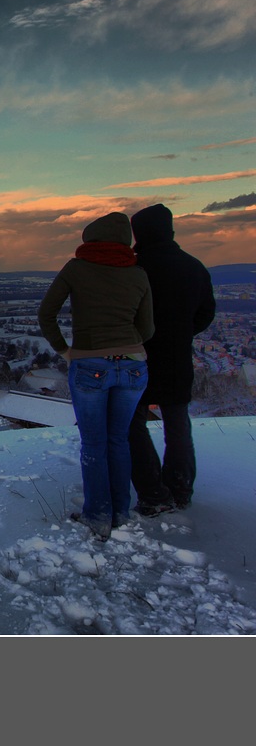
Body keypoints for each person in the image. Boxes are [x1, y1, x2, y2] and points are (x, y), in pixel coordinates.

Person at [38, 212, 154, 541]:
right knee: (119, 440)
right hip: (134, 365)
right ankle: (121, 511)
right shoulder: (138, 273)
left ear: (91, 237)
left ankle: (98, 516)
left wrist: (65, 350)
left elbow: (46, 313)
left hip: (90, 363)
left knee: (94, 443)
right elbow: (147, 329)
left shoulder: (77, 268)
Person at [128, 204, 216, 515]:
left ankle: (153, 492)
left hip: (136, 357)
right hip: (178, 358)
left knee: (132, 424)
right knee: (177, 426)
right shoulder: (193, 267)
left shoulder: (133, 268)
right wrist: (182, 333)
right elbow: (206, 313)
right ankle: (180, 490)